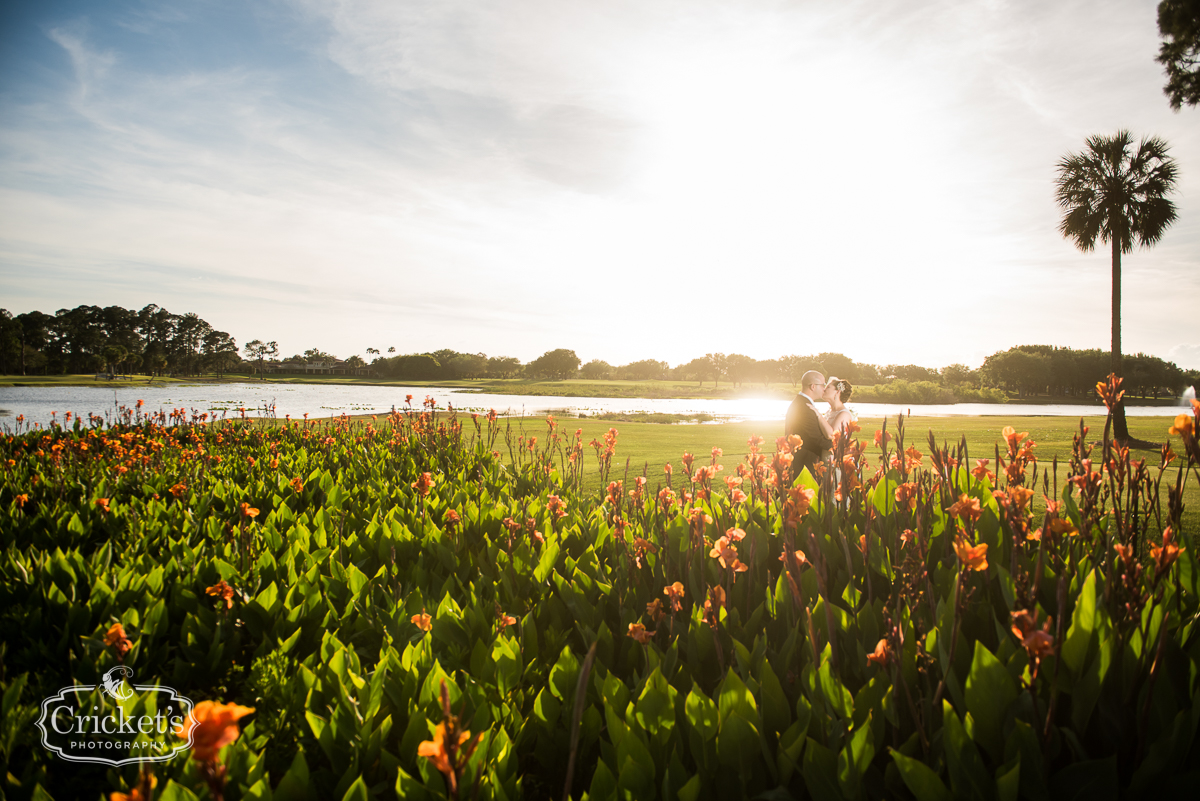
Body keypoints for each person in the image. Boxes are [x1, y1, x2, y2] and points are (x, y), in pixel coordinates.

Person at [784, 370, 834, 483]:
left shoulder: (802, 403)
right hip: (804, 463)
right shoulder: (804, 407)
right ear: (813, 386)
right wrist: (839, 447)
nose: (824, 388)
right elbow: (816, 438)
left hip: (802, 461)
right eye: (823, 385)